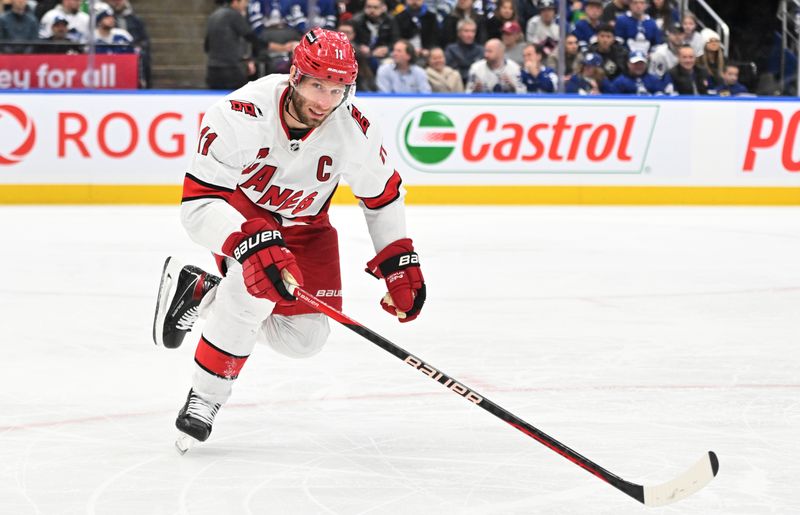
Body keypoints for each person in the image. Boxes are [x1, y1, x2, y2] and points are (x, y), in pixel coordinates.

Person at [152, 28, 426, 448]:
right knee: (253, 291)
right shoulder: (240, 114)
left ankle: (204, 293)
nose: (324, 101)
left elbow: (382, 195)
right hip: (244, 214)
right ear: (295, 75)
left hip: (309, 227)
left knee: (305, 340)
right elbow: (199, 206)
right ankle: (205, 397)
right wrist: (248, 243)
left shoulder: (353, 128)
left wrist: (397, 261)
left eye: (336, 89)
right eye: (317, 85)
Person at [205, 0, 259, 90]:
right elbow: (250, 38)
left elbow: (207, 46)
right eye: (244, 2)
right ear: (235, 2)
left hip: (212, 70)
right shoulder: (234, 15)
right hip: (231, 71)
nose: (246, 5)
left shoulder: (213, 16)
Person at [106, 0, 151, 87]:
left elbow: (144, 39)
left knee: (143, 56)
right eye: (115, 1)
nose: (117, 3)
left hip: (133, 49)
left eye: (119, 1)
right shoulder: (108, 19)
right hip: (116, 48)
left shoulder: (135, 20)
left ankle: (144, 85)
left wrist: (138, 46)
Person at [352, 0, 398, 70]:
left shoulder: (390, 21)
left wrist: (387, 49)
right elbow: (351, 40)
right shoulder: (357, 21)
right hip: (362, 55)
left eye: (375, 7)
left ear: (383, 8)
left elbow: (396, 40)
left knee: (389, 64)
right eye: (369, 7)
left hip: (383, 54)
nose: (372, 10)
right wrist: (359, 47)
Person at [445, 18, 484, 85]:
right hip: (456, 85)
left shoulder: (481, 50)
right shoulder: (451, 49)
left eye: (473, 31)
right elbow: (450, 72)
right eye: (466, 31)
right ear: (459, 33)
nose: (470, 35)